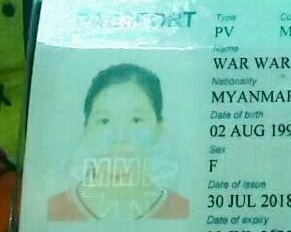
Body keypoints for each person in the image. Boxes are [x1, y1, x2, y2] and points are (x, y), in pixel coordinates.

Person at [48, 63, 189, 221]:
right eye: (104, 121)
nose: (120, 136)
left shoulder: (182, 211)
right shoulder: (54, 210)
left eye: (136, 120)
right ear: (86, 129)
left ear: (159, 129)